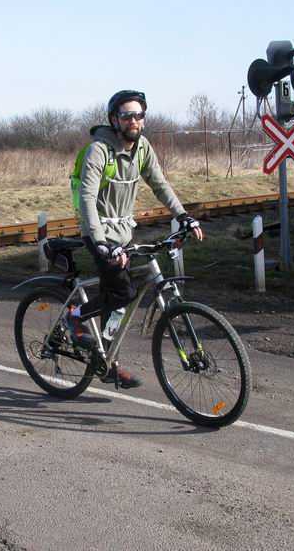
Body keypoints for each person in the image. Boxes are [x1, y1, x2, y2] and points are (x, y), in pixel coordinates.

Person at [65, 90, 203, 389]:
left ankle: (105, 361)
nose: (134, 121)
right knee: (123, 293)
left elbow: (160, 183)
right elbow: (87, 197)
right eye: (126, 115)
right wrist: (102, 242)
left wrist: (183, 216)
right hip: (98, 233)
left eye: (139, 115)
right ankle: (74, 318)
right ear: (114, 119)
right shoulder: (99, 151)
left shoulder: (142, 148)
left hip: (124, 232)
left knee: (119, 298)